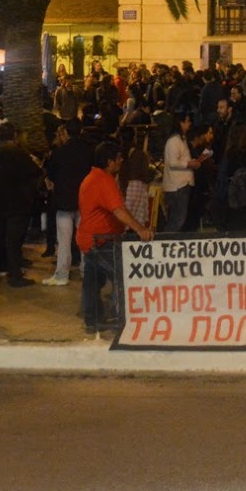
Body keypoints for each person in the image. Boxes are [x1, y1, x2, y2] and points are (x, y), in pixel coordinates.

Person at [77, 140, 156, 333]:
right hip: (100, 240)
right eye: (119, 158)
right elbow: (118, 210)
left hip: (90, 238)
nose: (121, 161)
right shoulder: (103, 180)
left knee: (93, 281)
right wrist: (140, 229)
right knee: (122, 277)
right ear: (110, 161)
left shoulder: (92, 177)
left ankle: (93, 320)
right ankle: (120, 318)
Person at [0, 121, 42, 287]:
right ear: (14, 136)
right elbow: (34, 172)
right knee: (13, 242)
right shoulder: (19, 154)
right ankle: (14, 275)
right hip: (16, 204)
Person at [43, 123, 96, 286]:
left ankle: (62, 275)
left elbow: (50, 172)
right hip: (84, 201)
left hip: (64, 201)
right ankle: (86, 270)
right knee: (85, 238)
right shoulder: (89, 152)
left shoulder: (59, 153)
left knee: (64, 240)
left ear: (65, 133)